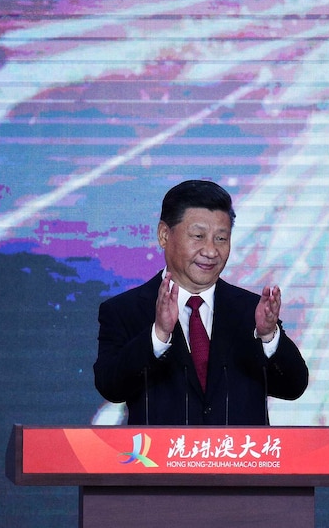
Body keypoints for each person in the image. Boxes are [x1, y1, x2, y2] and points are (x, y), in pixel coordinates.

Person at [94, 180, 308, 425]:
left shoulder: (251, 312)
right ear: (164, 234)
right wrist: (159, 334)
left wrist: (269, 337)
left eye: (220, 239)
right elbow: (111, 387)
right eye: (198, 236)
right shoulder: (124, 310)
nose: (211, 251)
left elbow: (293, 387)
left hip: (238, 460)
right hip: (161, 461)